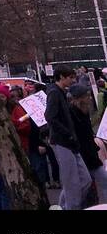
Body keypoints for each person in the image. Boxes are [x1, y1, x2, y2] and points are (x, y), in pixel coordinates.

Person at [46, 66, 90, 210]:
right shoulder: (54, 93)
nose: (72, 80)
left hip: (69, 142)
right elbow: (50, 117)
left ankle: (66, 206)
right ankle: (70, 206)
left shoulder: (60, 93)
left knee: (85, 180)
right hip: (62, 141)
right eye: (70, 77)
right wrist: (67, 133)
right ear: (61, 77)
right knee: (72, 182)